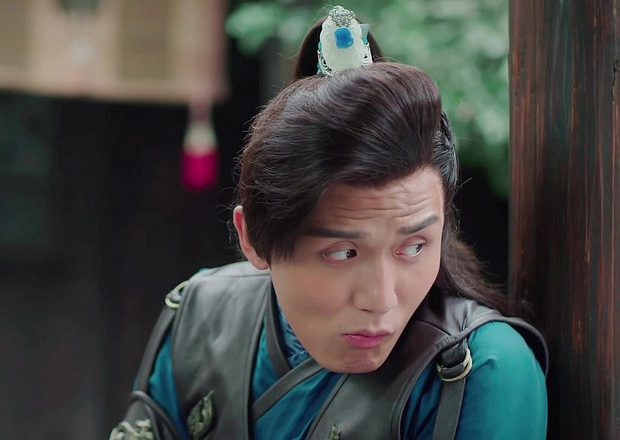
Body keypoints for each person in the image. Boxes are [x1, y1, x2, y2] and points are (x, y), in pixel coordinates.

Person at [110, 5, 548, 439]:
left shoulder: (478, 369)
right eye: (342, 253)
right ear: (253, 238)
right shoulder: (202, 314)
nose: (380, 299)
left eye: (414, 247)